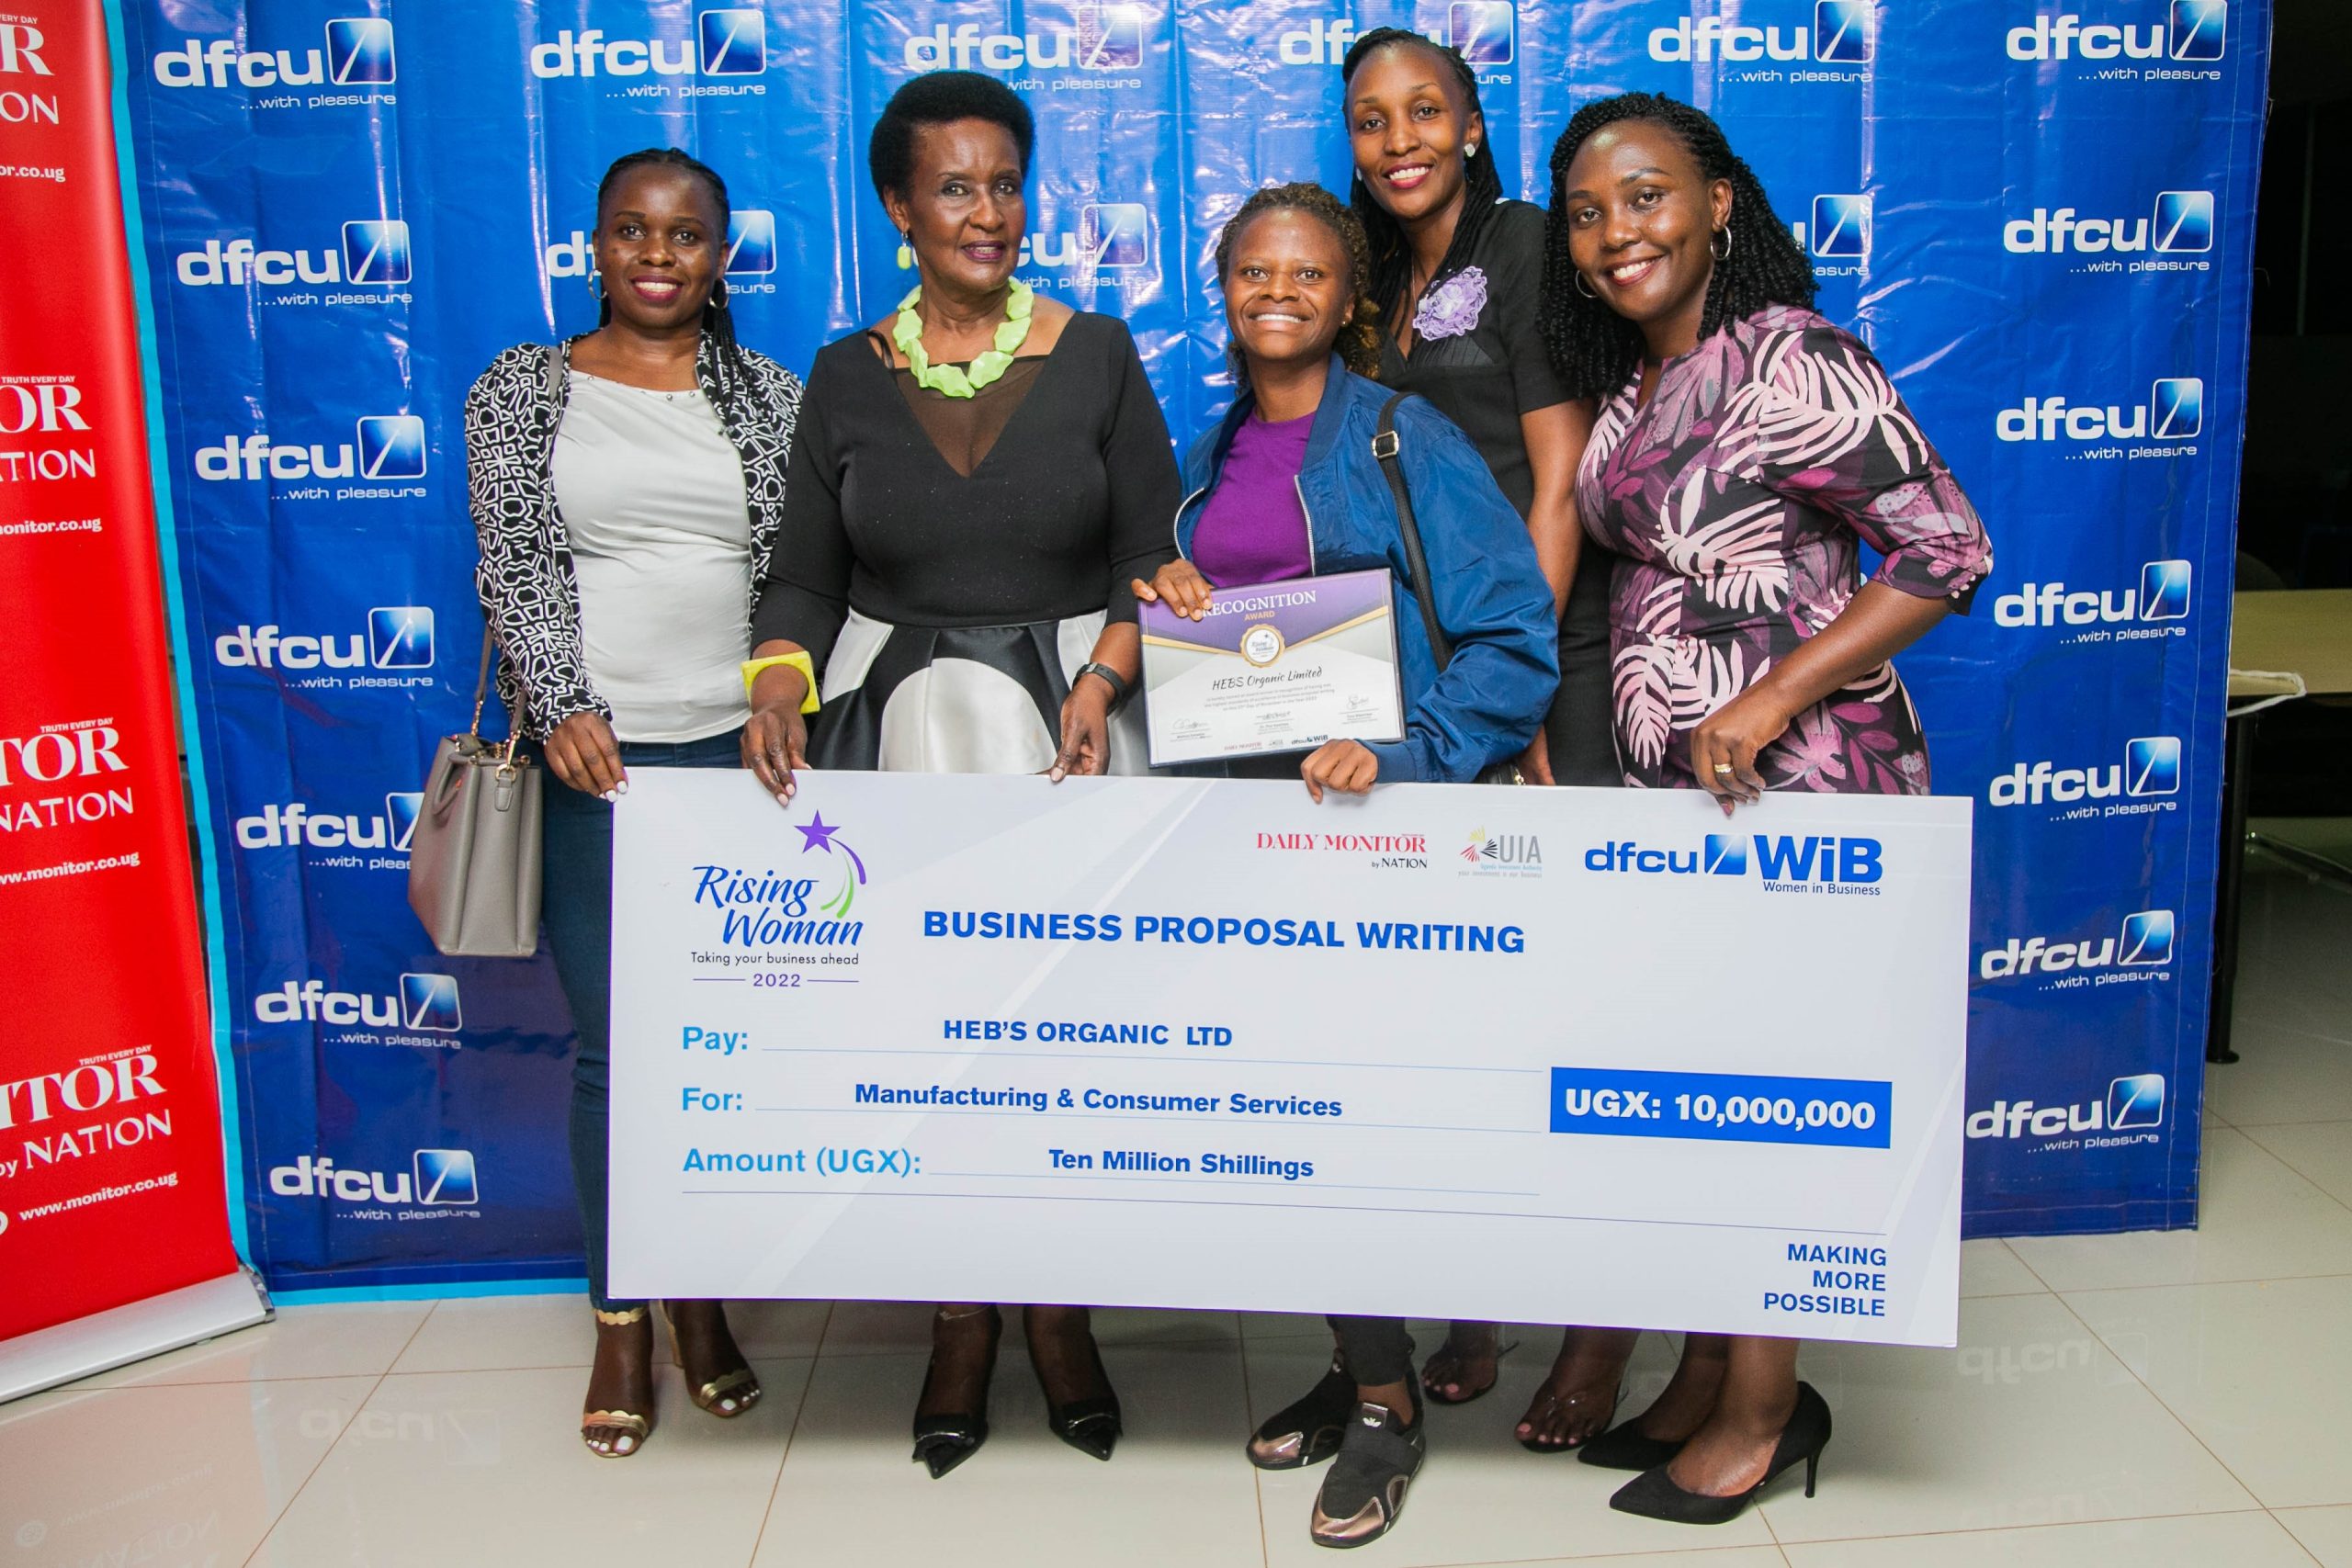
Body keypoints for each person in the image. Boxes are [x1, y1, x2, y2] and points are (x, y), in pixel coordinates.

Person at [1537, 92, 1993, 1522]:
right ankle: (1705, 1371)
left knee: (1775, 1107)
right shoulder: (1635, 386)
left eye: (1648, 196)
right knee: (1707, 1100)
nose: (1617, 233)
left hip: (1802, 793)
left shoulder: (1790, 358)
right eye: (1589, 213)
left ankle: (1765, 1409)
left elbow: (1947, 548)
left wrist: (1774, 695)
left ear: (1719, 203)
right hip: (1683, 809)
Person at [736, 71, 1182, 1479]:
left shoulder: (1097, 352)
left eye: (1004, 184)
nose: (986, 212)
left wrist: (1105, 680)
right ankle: (959, 1315)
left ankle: (1059, 1310)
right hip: (906, 738)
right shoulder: (844, 376)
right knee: (931, 1039)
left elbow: (1153, 553)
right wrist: (775, 678)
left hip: (1073, 729)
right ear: (898, 206)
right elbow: (804, 575)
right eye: (953, 187)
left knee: (1065, 1029)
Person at [1137, 183, 1557, 1549]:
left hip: (1380, 839)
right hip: (1245, 833)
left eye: (1307, 273)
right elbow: (1205, 634)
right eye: (1254, 270)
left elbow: (1515, 635)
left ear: (1347, 297)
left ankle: (1386, 1403)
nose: (1279, 291)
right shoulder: (1206, 452)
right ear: (1225, 289)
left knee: (1354, 1117)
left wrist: (1412, 753)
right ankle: (1357, 1355)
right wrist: (1168, 604)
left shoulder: (1399, 432)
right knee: (1288, 1119)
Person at [463, 149, 806, 1458]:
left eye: (686, 234)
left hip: (744, 758)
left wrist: (781, 695)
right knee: (616, 1050)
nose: (658, 254)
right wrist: (562, 705)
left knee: (720, 1044)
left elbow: (799, 573)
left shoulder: (769, 396)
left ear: (721, 256)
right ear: (595, 247)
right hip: (595, 760)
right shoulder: (524, 387)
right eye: (632, 231)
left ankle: (698, 1301)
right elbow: (514, 560)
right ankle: (621, 1315)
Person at [1336, 23, 1623, 1448]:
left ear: (1468, 122)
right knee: (1451, 1009)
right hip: (1413, 687)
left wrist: (1521, 689)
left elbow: (1560, 475)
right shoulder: (1368, 276)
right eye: (1370, 118)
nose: (1397, 140)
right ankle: (1475, 1295)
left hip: (1536, 663)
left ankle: (1597, 1327)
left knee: (1569, 999)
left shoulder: (1521, 247)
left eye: (1423, 110)